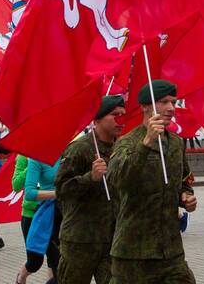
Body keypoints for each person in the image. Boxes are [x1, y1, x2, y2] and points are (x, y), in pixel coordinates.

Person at [107, 79, 197, 283]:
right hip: (134, 253)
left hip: (171, 252)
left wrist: (187, 197)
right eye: (164, 102)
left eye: (173, 102)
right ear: (146, 106)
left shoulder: (175, 143)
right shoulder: (127, 141)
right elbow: (117, 179)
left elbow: (184, 180)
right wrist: (146, 143)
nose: (171, 108)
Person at [55, 94, 125, 284]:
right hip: (80, 239)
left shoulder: (123, 149)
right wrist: (90, 178)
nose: (121, 119)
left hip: (112, 238)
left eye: (123, 114)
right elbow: (61, 189)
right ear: (98, 119)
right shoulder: (79, 149)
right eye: (115, 114)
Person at [16, 154, 62, 283]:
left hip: (61, 214)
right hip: (35, 216)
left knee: (55, 262)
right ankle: (21, 277)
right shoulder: (27, 157)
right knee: (34, 262)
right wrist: (30, 168)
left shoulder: (69, 153)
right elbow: (17, 186)